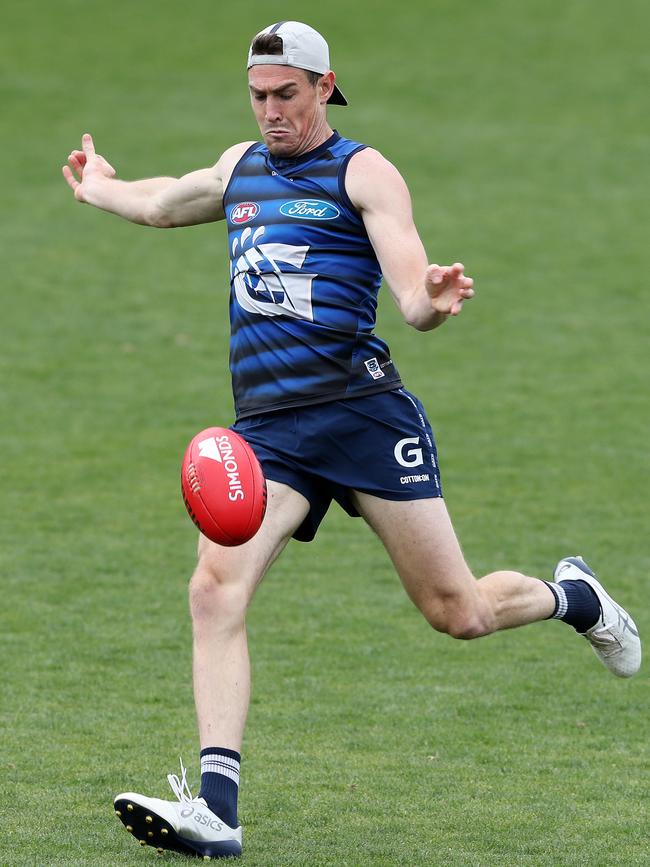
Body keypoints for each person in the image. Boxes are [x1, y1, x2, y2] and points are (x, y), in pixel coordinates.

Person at [62, 21, 641, 861]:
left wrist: (432, 300)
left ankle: (575, 598)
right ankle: (217, 807)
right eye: (258, 96)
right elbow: (161, 202)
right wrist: (97, 189)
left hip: (361, 414)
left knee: (459, 612)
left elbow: (408, 289)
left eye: (286, 95)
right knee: (213, 590)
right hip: (269, 428)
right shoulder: (241, 168)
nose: (271, 113)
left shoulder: (361, 170)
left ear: (324, 86)